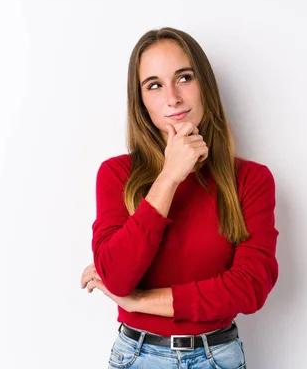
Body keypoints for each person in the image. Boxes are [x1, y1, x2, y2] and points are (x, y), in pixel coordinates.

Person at [79, 27, 279, 369]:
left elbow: (249, 287)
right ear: (141, 101)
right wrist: (170, 177)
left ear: (205, 86)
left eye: (183, 78)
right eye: (154, 85)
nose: (172, 97)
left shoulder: (251, 180)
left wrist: (138, 301)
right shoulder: (116, 174)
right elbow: (116, 275)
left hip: (218, 357)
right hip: (137, 357)